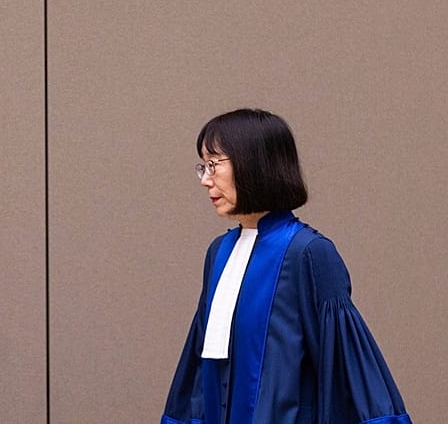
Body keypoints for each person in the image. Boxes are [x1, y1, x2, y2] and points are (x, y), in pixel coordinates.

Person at [161, 109, 411, 424]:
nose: (205, 180)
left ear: (254, 163)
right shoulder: (219, 254)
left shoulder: (308, 253)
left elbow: (347, 372)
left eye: (214, 164)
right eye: (203, 166)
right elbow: (199, 372)